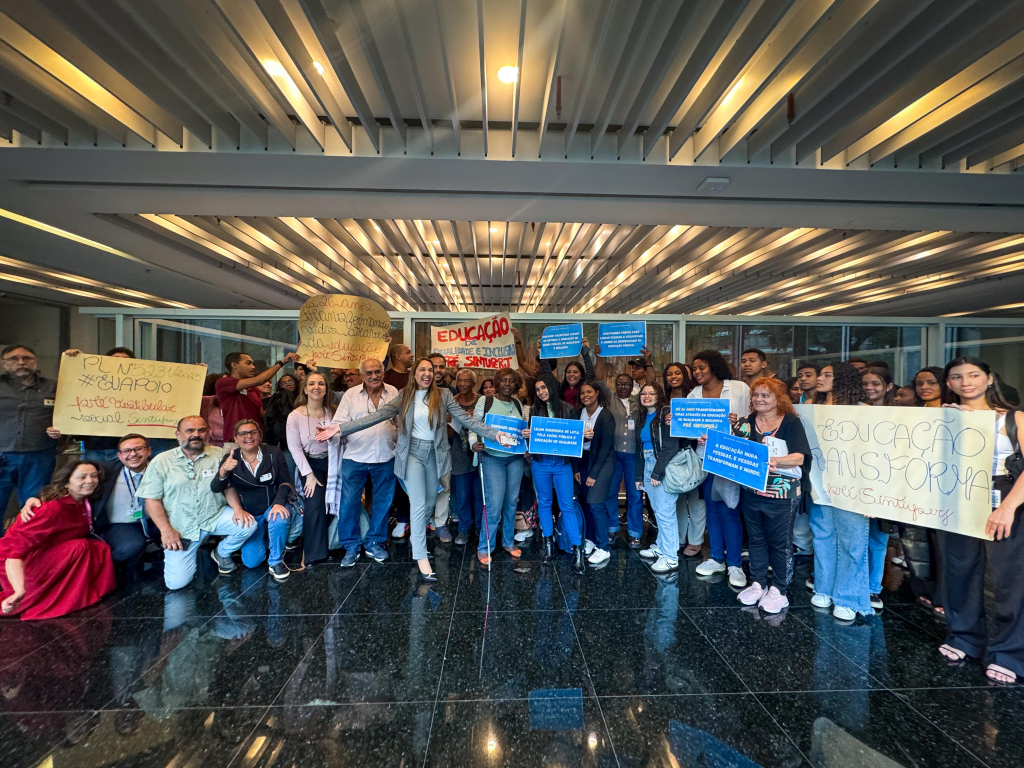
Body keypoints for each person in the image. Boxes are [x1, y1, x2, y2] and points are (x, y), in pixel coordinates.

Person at [317, 358, 511, 580]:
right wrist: (340, 428)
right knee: (418, 504)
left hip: (434, 454)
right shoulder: (404, 395)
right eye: (422, 369)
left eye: (430, 370)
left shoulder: (443, 395)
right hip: (411, 454)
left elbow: (467, 421)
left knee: (430, 502)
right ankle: (420, 556)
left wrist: (495, 434)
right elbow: (376, 416)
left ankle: (415, 538)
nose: (427, 373)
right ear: (415, 373)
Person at [939, 356, 1024, 684]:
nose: (966, 382)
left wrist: (1008, 507)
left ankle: (1010, 653)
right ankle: (963, 637)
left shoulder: (1014, 418)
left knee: (1009, 577)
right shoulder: (944, 417)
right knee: (959, 569)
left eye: (974, 375)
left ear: (989, 379)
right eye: (957, 377)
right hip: (959, 494)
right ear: (949, 383)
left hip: (1005, 494)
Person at [136, 416, 258, 590]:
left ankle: (220, 553)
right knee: (176, 584)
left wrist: (238, 509)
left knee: (249, 525)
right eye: (190, 431)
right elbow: (151, 499)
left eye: (201, 430)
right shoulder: (161, 461)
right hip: (181, 526)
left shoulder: (218, 454)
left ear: (208, 433)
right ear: (178, 434)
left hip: (213, 515)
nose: (196, 434)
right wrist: (166, 530)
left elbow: (227, 486)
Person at [21, 433, 156, 576]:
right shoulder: (105, 470)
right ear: (119, 455)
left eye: (138, 449)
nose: (133, 454)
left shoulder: (162, 468)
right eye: (127, 451)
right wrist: (35, 498)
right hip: (120, 523)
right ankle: (111, 569)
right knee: (130, 546)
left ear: (149, 451)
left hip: (154, 518)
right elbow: (64, 482)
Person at [807, 362, 882, 621]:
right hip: (818, 482)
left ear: (843, 380)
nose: (820, 378)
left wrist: (875, 491)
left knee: (853, 540)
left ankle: (849, 598)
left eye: (827, 375)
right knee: (822, 536)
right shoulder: (810, 408)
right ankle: (824, 588)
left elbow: (875, 453)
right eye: (821, 374)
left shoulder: (863, 411)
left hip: (853, 485)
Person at [0, 460, 116, 619]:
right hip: (17, 561)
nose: (90, 481)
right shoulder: (51, 508)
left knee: (98, 549)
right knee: (80, 547)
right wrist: (19, 589)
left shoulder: (82, 499)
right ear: (66, 482)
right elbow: (14, 553)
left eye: (94, 476)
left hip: (46, 550)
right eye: (82, 477)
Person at [733, 378, 811, 614]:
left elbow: (800, 457)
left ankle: (780, 590)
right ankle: (758, 583)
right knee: (756, 539)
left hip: (782, 493)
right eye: (756, 395)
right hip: (752, 491)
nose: (759, 399)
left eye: (765, 395)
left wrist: (775, 461)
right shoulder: (745, 422)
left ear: (779, 399)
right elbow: (732, 448)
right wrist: (711, 443)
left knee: (780, 543)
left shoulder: (791, 422)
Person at [688, 349, 750, 588]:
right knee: (711, 510)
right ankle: (716, 558)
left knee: (730, 510)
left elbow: (754, 419)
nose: (697, 372)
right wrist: (688, 430)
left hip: (730, 458)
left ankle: (734, 563)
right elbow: (690, 428)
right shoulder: (694, 394)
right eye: (694, 369)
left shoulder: (739, 388)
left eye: (701, 367)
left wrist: (739, 422)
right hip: (705, 458)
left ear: (714, 366)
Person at [330, 359, 399, 565]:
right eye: (368, 373)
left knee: (383, 503)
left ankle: (375, 543)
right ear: (362, 376)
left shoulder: (393, 392)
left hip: (386, 456)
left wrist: (396, 436)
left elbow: (400, 421)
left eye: (377, 371)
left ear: (383, 372)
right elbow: (338, 424)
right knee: (349, 504)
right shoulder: (351, 395)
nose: (373, 376)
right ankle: (350, 546)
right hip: (355, 458)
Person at [211, 419, 295, 582]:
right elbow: (216, 488)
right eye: (243, 433)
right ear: (236, 438)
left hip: (272, 505)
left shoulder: (273, 453)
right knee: (252, 562)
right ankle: (268, 539)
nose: (248, 436)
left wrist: (278, 503)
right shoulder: (231, 458)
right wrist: (223, 471)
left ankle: (276, 561)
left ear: (259, 435)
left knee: (279, 517)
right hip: (250, 514)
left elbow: (285, 482)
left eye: (253, 432)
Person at [521, 370, 581, 569]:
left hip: (562, 464)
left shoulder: (568, 409)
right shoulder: (534, 411)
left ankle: (577, 548)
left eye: (544, 387)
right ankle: (548, 546)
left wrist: (583, 436)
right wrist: (527, 436)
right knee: (544, 503)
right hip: (541, 463)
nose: (541, 392)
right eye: (537, 389)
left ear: (552, 387)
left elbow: (574, 441)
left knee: (567, 505)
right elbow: (532, 443)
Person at [471, 368, 528, 565]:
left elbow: (521, 431)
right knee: (493, 504)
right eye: (503, 380)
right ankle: (485, 547)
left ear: (516, 385)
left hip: (515, 459)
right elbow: (473, 425)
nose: (507, 384)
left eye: (511, 381)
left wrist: (526, 442)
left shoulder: (518, 404)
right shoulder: (485, 401)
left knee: (511, 502)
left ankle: (508, 542)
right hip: (492, 457)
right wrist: (473, 442)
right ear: (497, 382)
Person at [0, 344, 60, 529]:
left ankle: (28, 546)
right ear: (3, 363)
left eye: (26, 358)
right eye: (14, 358)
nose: (21, 362)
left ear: (35, 362)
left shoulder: (54, 386)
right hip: (2, 454)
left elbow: (71, 414)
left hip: (39, 456)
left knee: (34, 509)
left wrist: (62, 429)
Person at [634, 383, 683, 574]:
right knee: (657, 510)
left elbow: (670, 447)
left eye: (651, 393)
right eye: (644, 393)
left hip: (662, 465)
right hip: (647, 464)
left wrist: (657, 472)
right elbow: (640, 448)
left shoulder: (666, 414)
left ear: (659, 395)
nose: (647, 396)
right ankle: (662, 547)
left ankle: (671, 557)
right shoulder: (642, 417)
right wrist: (640, 476)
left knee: (665, 511)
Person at [286, 372, 334, 567]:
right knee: (314, 505)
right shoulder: (295, 416)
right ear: (305, 389)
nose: (317, 387)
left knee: (335, 502)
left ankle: (334, 545)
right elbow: (295, 449)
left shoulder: (333, 412)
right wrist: (309, 475)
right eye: (312, 384)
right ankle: (314, 554)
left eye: (321, 383)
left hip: (333, 463)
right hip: (310, 465)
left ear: (326, 389)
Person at [592, 370, 643, 548]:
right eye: (620, 384)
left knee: (635, 495)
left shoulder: (639, 401)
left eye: (627, 384)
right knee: (610, 492)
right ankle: (612, 529)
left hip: (633, 456)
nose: (623, 387)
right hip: (613, 455)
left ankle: (635, 533)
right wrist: (598, 358)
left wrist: (648, 362)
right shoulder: (609, 399)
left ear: (632, 386)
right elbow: (599, 379)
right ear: (615, 386)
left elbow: (651, 384)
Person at [663, 361, 703, 557]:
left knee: (696, 500)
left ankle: (695, 541)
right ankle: (679, 538)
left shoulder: (695, 396)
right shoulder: (663, 399)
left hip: (694, 452)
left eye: (677, 373)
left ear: (685, 376)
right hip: (671, 455)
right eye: (669, 374)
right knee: (677, 498)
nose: (673, 377)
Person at [215, 351, 300, 440]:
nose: (253, 367)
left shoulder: (254, 389)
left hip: (256, 439)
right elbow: (260, 380)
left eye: (252, 363)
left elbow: (261, 414)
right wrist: (281, 363)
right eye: (248, 363)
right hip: (235, 439)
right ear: (234, 365)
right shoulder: (223, 383)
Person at [575, 381, 616, 565]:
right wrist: (576, 469)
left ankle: (603, 548)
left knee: (596, 504)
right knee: (586, 503)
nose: (585, 395)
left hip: (602, 463)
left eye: (589, 392)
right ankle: (590, 539)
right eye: (582, 392)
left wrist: (594, 474)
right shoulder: (579, 413)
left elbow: (606, 448)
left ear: (597, 393)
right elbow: (573, 442)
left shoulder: (605, 415)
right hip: (583, 461)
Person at [450, 369, 484, 547]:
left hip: (480, 452)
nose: (463, 384)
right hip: (458, 453)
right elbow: (446, 433)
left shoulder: (482, 401)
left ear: (474, 384)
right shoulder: (451, 402)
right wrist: (450, 421)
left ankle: (479, 526)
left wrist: (474, 420)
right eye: (460, 381)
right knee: (462, 495)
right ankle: (464, 528)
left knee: (479, 493)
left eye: (467, 381)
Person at [263, 373, 299, 452]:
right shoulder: (277, 398)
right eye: (283, 383)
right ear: (280, 386)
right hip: (284, 438)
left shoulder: (302, 397)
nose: (288, 384)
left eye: (290, 381)